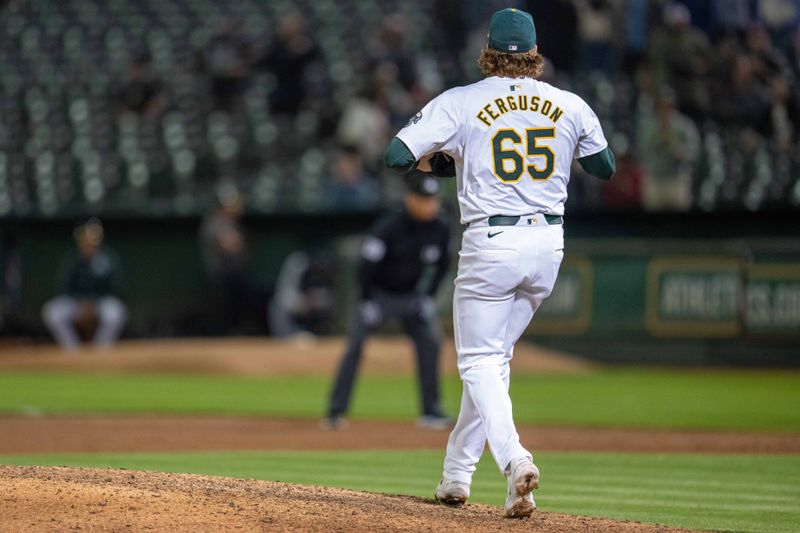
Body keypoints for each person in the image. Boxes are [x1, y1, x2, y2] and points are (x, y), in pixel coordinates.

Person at [383, 8, 614, 518]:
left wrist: (438, 161)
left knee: (478, 362)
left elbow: (396, 156)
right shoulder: (569, 103)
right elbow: (605, 166)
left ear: (487, 51)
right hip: (548, 245)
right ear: (535, 54)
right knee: (493, 362)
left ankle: (515, 460)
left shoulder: (463, 101)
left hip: (492, 241)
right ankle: (456, 477)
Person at [324, 172, 452, 431]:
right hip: (379, 296)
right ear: (410, 200)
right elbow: (365, 267)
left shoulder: (440, 229)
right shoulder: (390, 227)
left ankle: (432, 411)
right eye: (424, 199)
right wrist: (367, 300)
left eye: (433, 199)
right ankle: (335, 412)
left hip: (411, 297)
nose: (430, 204)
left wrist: (427, 297)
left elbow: (442, 267)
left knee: (431, 342)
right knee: (355, 345)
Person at [41, 218, 127, 351]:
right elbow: (63, 288)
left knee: (116, 313)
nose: (88, 243)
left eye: (92, 240)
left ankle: (100, 349)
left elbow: (115, 289)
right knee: (52, 312)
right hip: (76, 304)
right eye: (85, 240)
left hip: (100, 304)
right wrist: (81, 303)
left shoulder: (108, 260)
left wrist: (93, 303)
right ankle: (72, 350)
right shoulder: (73, 260)